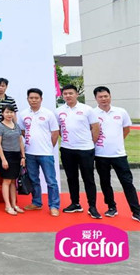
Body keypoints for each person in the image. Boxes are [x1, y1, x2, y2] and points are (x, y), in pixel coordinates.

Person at [92, 86, 139, 222]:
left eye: (106, 96)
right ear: (96, 98)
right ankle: (111, 207)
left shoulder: (121, 112)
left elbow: (126, 129)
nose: (104, 99)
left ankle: (136, 211)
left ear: (110, 96)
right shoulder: (92, 113)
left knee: (127, 182)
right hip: (100, 155)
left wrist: (117, 142)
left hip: (119, 155)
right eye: (100, 97)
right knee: (105, 182)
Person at [56, 84, 101, 219]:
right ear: (62, 96)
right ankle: (75, 203)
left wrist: (90, 142)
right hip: (67, 149)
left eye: (71, 93)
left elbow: (95, 128)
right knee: (71, 178)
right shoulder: (58, 111)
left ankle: (92, 206)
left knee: (88, 178)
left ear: (77, 94)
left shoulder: (87, 109)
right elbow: (59, 129)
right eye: (65, 94)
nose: (68, 96)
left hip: (85, 149)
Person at [17, 88, 60, 217]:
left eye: (36, 98)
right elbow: (22, 131)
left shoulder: (48, 114)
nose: (34, 100)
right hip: (30, 153)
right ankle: (36, 202)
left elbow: (55, 133)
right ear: (27, 99)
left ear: (41, 99)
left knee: (51, 181)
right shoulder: (23, 114)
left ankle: (54, 205)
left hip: (46, 153)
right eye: (31, 98)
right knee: (34, 179)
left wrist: (48, 146)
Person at [0, 105, 26, 216]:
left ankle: (14, 204)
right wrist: (3, 159)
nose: (9, 114)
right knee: (7, 181)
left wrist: (23, 156)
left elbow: (20, 141)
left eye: (11, 112)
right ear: (2, 113)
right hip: (6, 155)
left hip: (16, 155)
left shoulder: (16, 125)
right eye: (7, 112)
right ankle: (7, 206)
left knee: (14, 181)